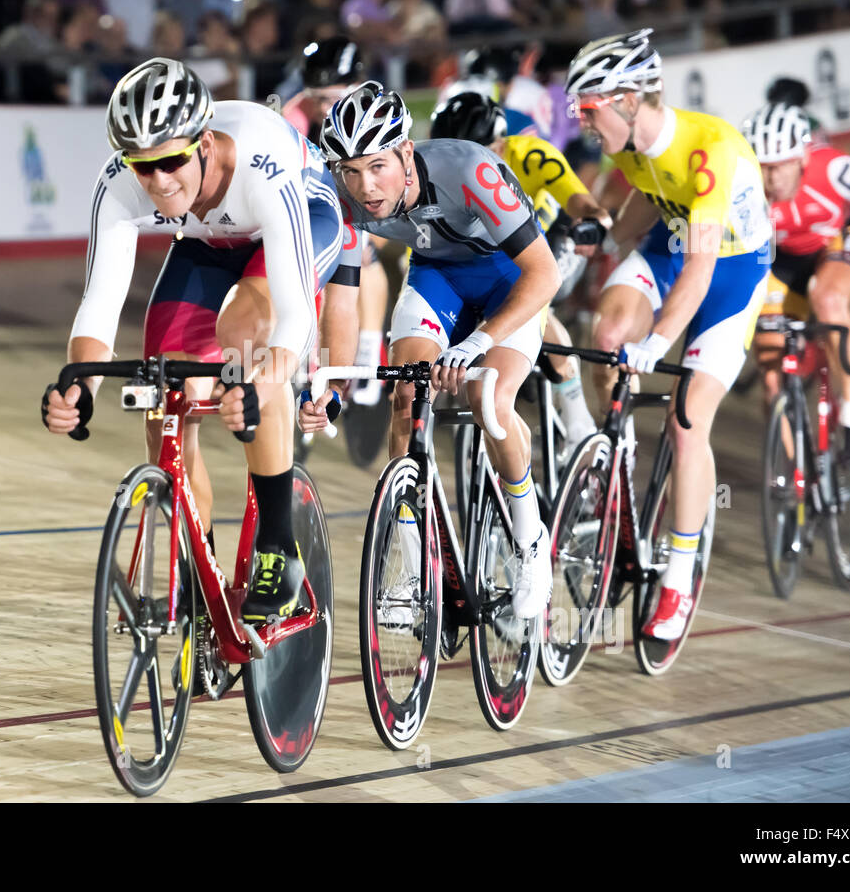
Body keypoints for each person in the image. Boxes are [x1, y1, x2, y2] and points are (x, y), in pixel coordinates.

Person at [44, 59, 360, 626]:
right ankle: (201, 567)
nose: (160, 182)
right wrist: (81, 385)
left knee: (242, 331)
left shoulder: (263, 161)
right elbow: (100, 302)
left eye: (171, 161)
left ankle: (278, 547)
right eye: (144, 168)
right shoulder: (119, 185)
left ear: (205, 143)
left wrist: (263, 381)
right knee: (165, 384)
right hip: (208, 239)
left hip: (296, 220)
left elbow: (292, 317)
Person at [311, 81, 561, 619]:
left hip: (507, 277)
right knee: (407, 395)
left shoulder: (469, 170)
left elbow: (545, 274)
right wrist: (332, 386)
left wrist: (479, 341)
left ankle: (529, 537)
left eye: (376, 167)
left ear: (405, 152)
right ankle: (409, 570)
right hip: (436, 278)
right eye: (350, 171)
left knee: (489, 404)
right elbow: (344, 302)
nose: (365, 187)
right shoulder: (345, 198)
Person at [568, 28, 771, 641]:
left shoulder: (712, 150)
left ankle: (678, 577)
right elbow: (648, 198)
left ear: (628, 99)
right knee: (607, 330)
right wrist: (604, 241)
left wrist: (656, 345)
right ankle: (617, 453)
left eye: (589, 110)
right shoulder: (629, 143)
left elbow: (703, 270)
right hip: (670, 245)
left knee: (687, 424)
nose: (583, 124)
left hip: (731, 272)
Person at [430, 91, 613, 451]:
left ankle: (578, 418)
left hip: (549, 240)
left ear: (500, 148)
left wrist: (592, 222)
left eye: (473, 154)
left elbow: (586, 205)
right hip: (486, 250)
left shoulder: (531, 155)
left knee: (531, 297)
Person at [741, 102, 850, 460]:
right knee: (772, 378)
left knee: (828, 300)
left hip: (837, 243)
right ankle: (798, 483)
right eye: (763, 168)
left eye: (780, 167)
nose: (770, 179)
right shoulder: (744, 183)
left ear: (803, 160)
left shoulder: (836, 168)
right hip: (782, 260)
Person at [282, 37, 390, 403]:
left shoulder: (376, 115)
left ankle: (370, 349)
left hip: (368, 197)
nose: (324, 108)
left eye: (333, 98)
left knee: (364, 251)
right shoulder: (296, 115)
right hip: (319, 198)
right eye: (319, 98)